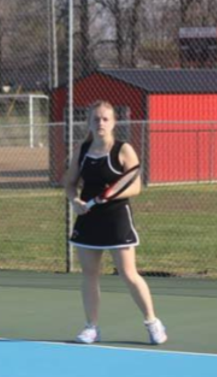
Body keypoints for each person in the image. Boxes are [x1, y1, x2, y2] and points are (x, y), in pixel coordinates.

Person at [62, 101, 167, 346]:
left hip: (117, 218)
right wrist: (75, 200)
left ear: (113, 122)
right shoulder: (82, 150)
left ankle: (152, 322)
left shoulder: (123, 149)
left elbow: (136, 186)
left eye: (105, 119)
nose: (100, 123)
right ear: (89, 122)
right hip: (88, 219)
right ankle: (91, 327)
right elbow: (69, 183)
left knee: (128, 273)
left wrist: (107, 196)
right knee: (90, 274)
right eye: (96, 119)